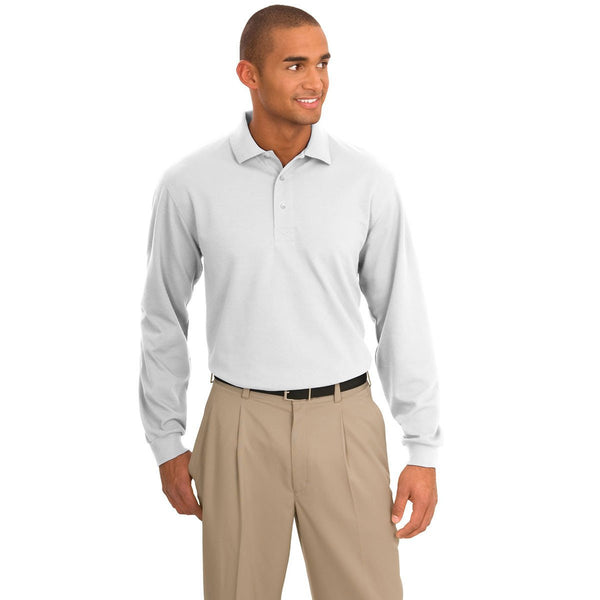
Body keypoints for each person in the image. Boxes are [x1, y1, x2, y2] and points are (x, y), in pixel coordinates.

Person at [138, 4, 442, 599]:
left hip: (346, 422)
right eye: (295, 65)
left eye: (323, 63)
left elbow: (400, 313)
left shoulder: (367, 180)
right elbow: (162, 316)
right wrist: (166, 441)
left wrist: (423, 445)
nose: (316, 81)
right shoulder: (189, 183)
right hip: (238, 424)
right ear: (248, 75)